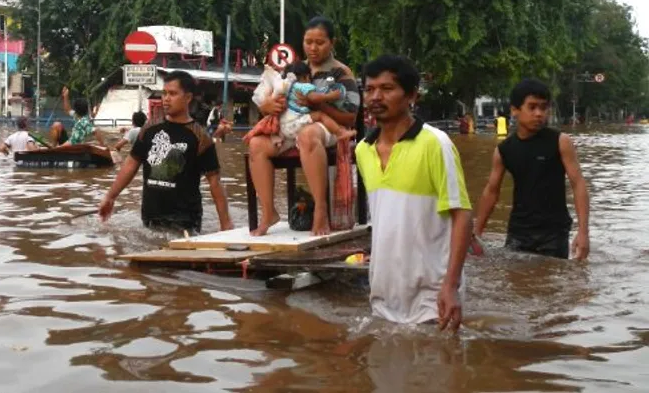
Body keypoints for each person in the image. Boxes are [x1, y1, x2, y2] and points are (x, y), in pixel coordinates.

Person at [354, 55, 472, 331]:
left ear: (411, 96)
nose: (375, 97)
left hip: (432, 296)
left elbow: (462, 215)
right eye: (369, 89)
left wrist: (451, 286)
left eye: (386, 89)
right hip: (384, 292)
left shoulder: (435, 144)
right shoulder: (362, 150)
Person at [248, 16, 361, 236]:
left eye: (320, 42)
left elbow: (350, 118)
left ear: (332, 43)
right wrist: (269, 106)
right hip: (291, 126)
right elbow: (274, 97)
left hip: (326, 128)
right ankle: (269, 212)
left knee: (308, 135)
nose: (313, 48)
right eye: (308, 42)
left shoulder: (341, 73)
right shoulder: (293, 70)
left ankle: (320, 208)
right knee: (256, 144)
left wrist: (318, 105)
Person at [98, 71, 233, 234]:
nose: (166, 99)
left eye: (173, 93)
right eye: (164, 93)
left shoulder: (201, 138)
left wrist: (226, 225)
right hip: (150, 219)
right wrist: (110, 197)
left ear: (188, 98)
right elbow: (130, 165)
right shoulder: (149, 128)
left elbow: (215, 183)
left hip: (185, 223)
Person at [473, 79, 590, 260]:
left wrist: (583, 232)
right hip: (518, 232)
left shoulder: (560, 142)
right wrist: (476, 234)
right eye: (532, 107)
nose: (539, 114)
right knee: (517, 284)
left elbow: (578, 184)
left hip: (554, 232)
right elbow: (491, 191)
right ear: (515, 110)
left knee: (551, 284)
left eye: (543, 108)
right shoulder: (504, 150)